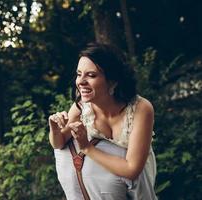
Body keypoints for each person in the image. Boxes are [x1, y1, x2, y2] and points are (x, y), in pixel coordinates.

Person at [48, 42, 158, 200]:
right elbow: (58, 143)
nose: (81, 82)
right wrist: (54, 129)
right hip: (100, 179)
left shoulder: (141, 108)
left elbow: (132, 169)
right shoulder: (81, 105)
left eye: (91, 75)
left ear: (113, 81)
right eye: (79, 74)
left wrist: (87, 148)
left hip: (135, 178)